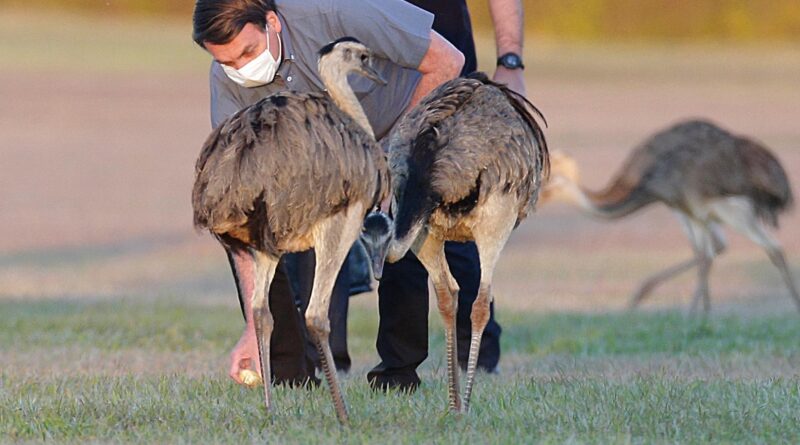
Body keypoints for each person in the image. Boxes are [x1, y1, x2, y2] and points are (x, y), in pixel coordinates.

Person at [192, 0, 464, 387]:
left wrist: (393, 158)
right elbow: (239, 198)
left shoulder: (340, 12)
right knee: (246, 222)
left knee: (400, 223)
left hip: (399, 126)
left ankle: (398, 374)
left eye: (248, 53)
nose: (241, 69)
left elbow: (447, 61)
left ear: (272, 22)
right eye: (227, 62)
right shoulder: (226, 81)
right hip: (321, 160)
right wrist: (254, 323)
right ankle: (290, 372)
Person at [368, 0, 528, 391]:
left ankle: (478, 357)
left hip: (451, 76)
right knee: (395, 218)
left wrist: (510, 60)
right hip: (376, 79)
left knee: (458, 213)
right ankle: (398, 371)